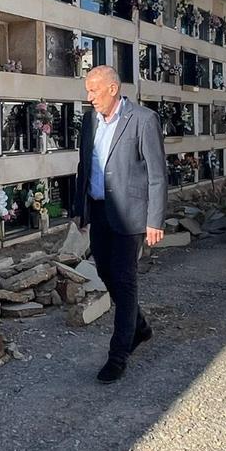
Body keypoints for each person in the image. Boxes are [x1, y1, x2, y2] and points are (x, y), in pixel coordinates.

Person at [72, 65, 167, 384]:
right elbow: (84, 165)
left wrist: (155, 219)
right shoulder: (89, 122)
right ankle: (139, 326)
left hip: (130, 214)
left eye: (93, 91)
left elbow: (157, 174)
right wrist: (79, 209)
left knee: (125, 280)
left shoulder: (142, 119)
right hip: (98, 210)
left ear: (112, 89)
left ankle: (119, 355)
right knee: (104, 271)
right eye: (87, 91)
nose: (89, 98)